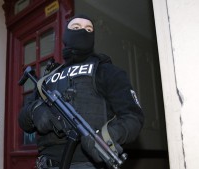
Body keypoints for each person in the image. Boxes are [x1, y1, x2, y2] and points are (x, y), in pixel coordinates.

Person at [18, 14, 144, 169]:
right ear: (66, 34)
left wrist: (107, 137)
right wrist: (36, 112)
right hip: (46, 163)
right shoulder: (47, 78)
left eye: (88, 29)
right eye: (76, 27)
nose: (83, 31)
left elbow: (133, 117)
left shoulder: (107, 71)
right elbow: (23, 119)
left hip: (88, 164)